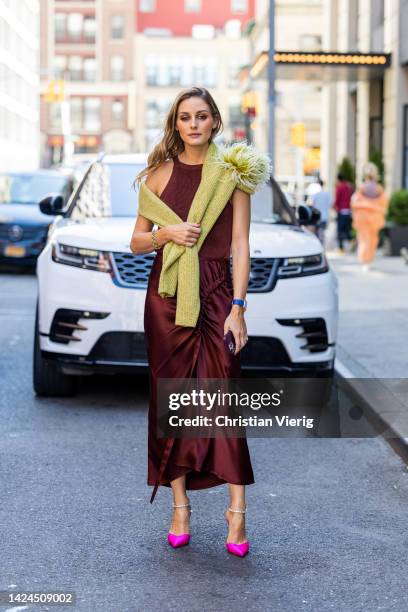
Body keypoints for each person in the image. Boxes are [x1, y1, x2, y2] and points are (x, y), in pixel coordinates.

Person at [130, 87, 270, 557]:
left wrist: (239, 307)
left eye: (202, 116)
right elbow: (136, 241)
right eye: (185, 117)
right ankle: (180, 505)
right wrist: (167, 232)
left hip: (214, 293)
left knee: (222, 396)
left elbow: (241, 245)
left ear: (215, 123)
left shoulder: (233, 174)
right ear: (175, 124)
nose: (193, 124)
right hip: (166, 296)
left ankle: (237, 511)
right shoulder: (158, 174)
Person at [351, 162, 388, 271]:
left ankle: (365, 261)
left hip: (363, 217)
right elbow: (384, 202)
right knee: (372, 239)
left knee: (364, 239)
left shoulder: (362, 188)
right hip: (375, 217)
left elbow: (355, 202)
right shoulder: (379, 188)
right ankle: (368, 260)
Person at [334, 172, 354, 252]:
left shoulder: (339, 187)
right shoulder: (349, 186)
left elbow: (337, 198)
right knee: (348, 229)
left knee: (340, 230)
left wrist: (335, 206)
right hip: (349, 210)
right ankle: (351, 242)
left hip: (341, 210)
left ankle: (341, 247)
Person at [311, 179, 331, 246]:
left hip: (317, 217)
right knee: (322, 233)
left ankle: (319, 246)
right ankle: (321, 246)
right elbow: (330, 204)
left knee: (318, 233)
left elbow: (312, 204)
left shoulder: (315, 194)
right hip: (325, 216)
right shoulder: (327, 194)